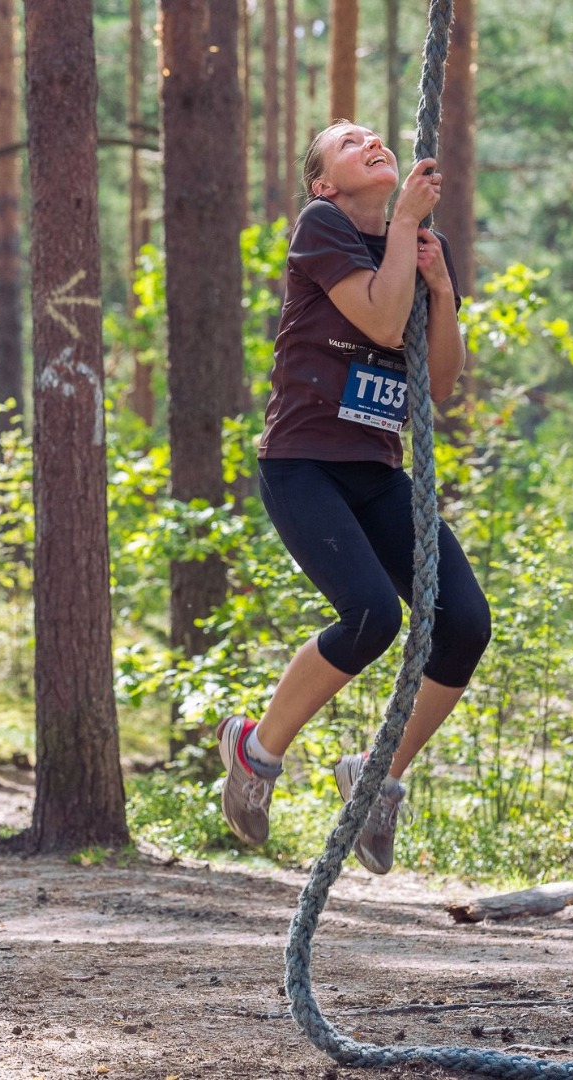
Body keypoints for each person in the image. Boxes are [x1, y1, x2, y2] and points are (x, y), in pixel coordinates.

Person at [216, 121, 492, 874]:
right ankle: (256, 749)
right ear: (324, 184)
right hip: (303, 464)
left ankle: (376, 777)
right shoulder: (323, 226)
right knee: (371, 614)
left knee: (465, 624)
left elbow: (439, 382)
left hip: (375, 470)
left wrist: (442, 288)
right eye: (347, 143)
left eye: (373, 135)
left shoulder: (421, 243)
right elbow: (377, 316)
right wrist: (403, 225)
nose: (370, 141)